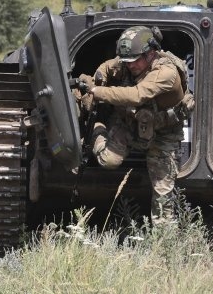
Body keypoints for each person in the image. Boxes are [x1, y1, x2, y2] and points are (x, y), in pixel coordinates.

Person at [77, 26, 194, 225]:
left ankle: (163, 241)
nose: (130, 66)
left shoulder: (167, 72)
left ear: (150, 53)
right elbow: (107, 66)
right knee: (108, 161)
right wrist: (99, 78)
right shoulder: (129, 60)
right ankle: (97, 128)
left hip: (164, 133)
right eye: (126, 62)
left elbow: (137, 94)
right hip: (130, 123)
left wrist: (97, 91)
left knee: (163, 195)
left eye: (134, 61)